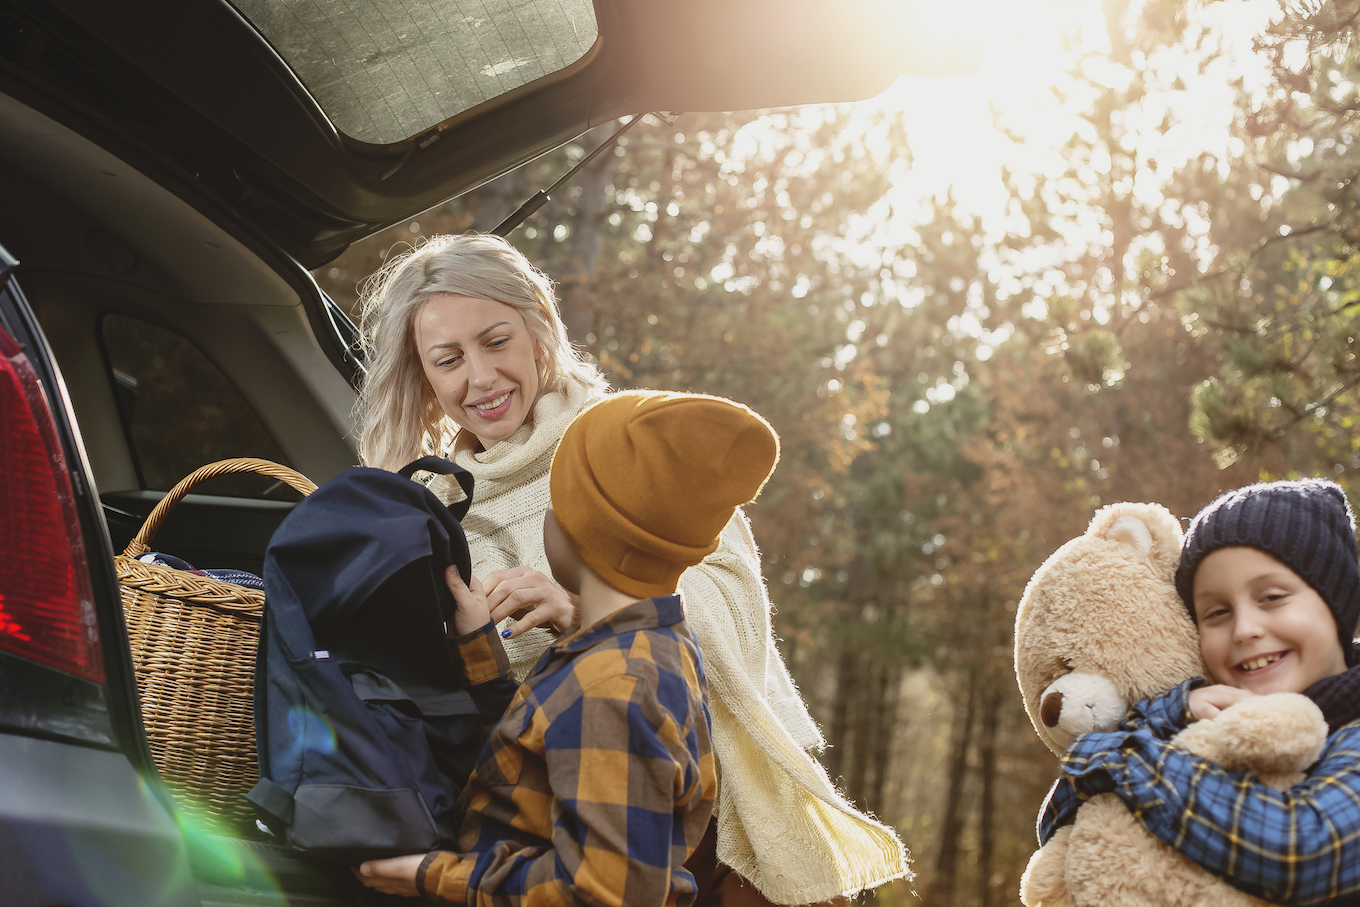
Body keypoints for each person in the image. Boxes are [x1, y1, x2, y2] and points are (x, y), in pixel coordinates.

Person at [355, 233, 910, 905]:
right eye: (449, 360)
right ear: (423, 373)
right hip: (555, 836)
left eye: (496, 341)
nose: (479, 378)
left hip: (715, 833)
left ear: (538, 327)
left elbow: (727, 610)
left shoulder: (626, 441)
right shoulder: (437, 505)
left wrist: (582, 607)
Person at [354, 389, 780, 903]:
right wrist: (478, 648)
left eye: (559, 500)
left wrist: (432, 874)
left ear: (588, 527)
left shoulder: (615, 688)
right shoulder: (641, 645)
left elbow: (604, 893)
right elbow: (535, 757)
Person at [1039, 478, 1360, 904]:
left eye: (1272, 597)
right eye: (1218, 612)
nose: (1245, 629)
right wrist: (1170, 714)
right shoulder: (1198, 723)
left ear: (1337, 606)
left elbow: (1301, 852)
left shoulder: (1352, 732)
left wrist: (1120, 760)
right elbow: (1057, 823)